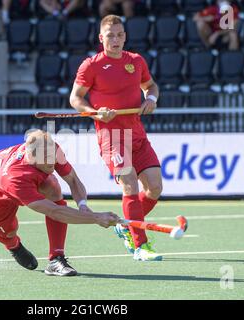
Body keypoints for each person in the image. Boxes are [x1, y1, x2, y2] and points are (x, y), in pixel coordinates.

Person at [69, 15, 163, 261]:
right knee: (130, 183)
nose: (116, 40)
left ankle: (126, 225)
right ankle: (140, 245)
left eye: (120, 35)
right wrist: (94, 112)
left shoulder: (136, 61)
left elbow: (151, 86)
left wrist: (151, 100)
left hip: (137, 132)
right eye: (110, 35)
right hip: (112, 135)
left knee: (154, 188)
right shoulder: (90, 65)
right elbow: (75, 99)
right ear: (101, 38)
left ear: (125, 37)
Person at [0, 130, 120, 276]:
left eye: (52, 157)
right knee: (9, 231)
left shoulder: (52, 149)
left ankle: (56, 259)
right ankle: (13, 246)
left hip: (21, 175)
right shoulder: (15, 178)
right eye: (46, 158)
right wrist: (96, 218)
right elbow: (54, 211)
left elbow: (73, 180)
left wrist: (82, 205)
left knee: (52, 188)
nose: (52, 162)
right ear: (32, 157)